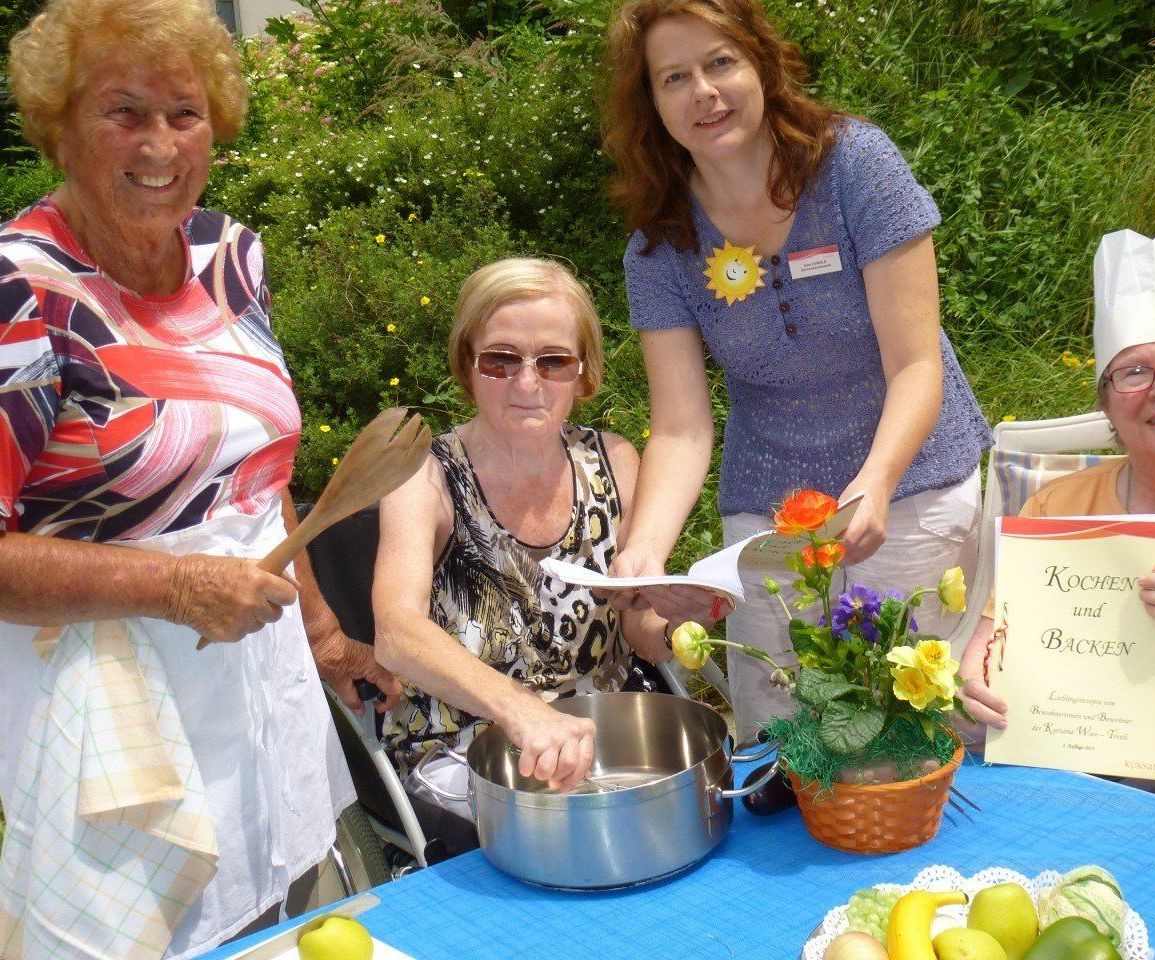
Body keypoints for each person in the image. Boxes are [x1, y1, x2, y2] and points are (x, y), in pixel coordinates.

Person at [0, 0, 400, 955]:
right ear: (60, 126)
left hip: (258, 668)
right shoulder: (23, 289)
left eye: (184, 113)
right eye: (122, 111)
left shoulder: (231, 254)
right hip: (109, 700)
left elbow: (258, 476)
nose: (159, 143)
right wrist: (173, 585)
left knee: (285, 915)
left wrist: (326, 634)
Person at [601, 0, 992, 742]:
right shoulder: (658, 247)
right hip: (769, 515)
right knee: (789, 738)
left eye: (720, 63)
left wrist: (874, 484)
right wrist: (646, 549)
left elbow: (914, 364)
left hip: (909, 488)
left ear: (761, 65)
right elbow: (681, 429)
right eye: (674, 77)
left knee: (917, 728)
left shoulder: (855, 165)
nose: (703, 93)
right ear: (652, 103)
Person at [959, 226, 1155, 834]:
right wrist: (975, 680)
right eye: (1133, 373)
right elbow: (990, 641)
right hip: (1071, 762)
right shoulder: (1059, 505)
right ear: (1107, 404)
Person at [372, 258, 715, 814]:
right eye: (500, 360)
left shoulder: (614, 461)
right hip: (465, 751)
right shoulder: (424, 472)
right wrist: (521, 710)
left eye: (553, 362)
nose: (527, 382)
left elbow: (641, 632)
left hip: (606, 740)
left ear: (584, 373)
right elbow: (396, 633)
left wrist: (681, 613)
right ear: (467, 364)